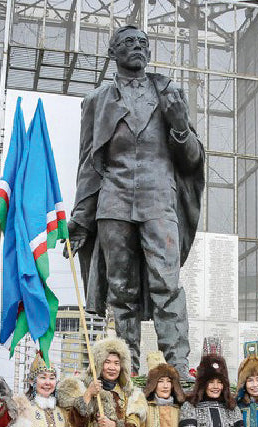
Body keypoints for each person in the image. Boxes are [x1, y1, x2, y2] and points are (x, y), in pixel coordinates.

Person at [68, 24, 205, 378]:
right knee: (121, 289)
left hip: (160, 201)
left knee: (167, 283)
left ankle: (177, 368)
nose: (138, 48)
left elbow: (191, 160)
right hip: (113, 201)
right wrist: (81, 217)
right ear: (112, 52)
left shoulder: (170, 94)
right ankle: (124, 369)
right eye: (128, 43)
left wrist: (179, 127)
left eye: (143, 43)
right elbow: (89, 161)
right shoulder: (97, 100)